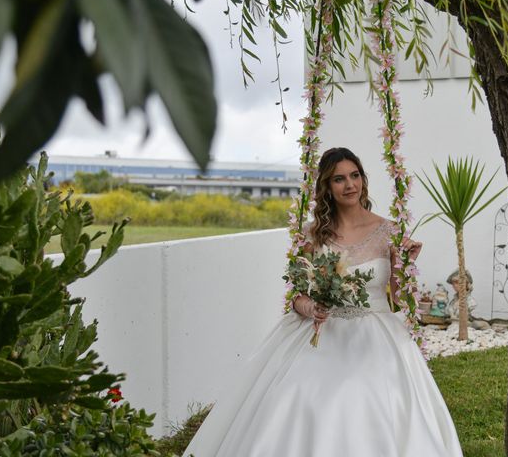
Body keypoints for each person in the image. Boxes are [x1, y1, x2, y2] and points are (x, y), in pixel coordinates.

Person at [182, 147, 463, 457]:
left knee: (362, 393)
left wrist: (407, 263)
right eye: (339, 179)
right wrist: (312, 308)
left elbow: (397, 299)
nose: (350, 185)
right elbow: (297, 297)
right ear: (327, 188)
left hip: (376, 334)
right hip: (321, 328)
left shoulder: (389, 231)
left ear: (363, 180)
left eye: (355, 176)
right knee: (298, 391)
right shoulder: (312, 234)